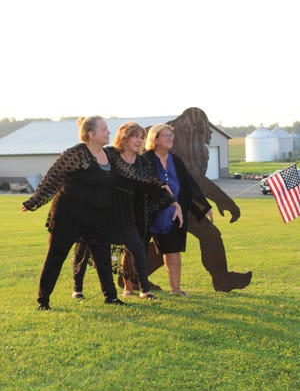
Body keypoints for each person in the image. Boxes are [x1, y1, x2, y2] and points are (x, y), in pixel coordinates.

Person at [143, 107, 252, 292]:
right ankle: (132, 276)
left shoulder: (180, 149)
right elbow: (197, 178)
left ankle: (221, 280)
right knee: (172, 243)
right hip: (160, 206)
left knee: (180, 242)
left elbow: (191, 182)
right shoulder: (185, 137)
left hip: (182, 202)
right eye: (207, 127)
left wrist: (207, 204)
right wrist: (224, 200)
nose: (209, 133)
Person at [72, 122, 183, 300]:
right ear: (124, 137)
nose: (139, 140)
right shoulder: (109, 154)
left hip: (125, 214)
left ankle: (144, 290)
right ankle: (77, 288)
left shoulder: (141, 162)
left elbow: (152, 182)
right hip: (100, 209)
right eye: (135, 136)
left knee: (138, 248)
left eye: (142, 137)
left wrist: (173, 203)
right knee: (84, 248)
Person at [22, 116, 124, 309]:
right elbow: (52, 177)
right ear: (91, 134)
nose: (109, 132)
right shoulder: (76, 154)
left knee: (103, 258)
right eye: (104, 129)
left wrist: (158, 185)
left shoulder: (109, 155)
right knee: (55, 257)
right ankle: (43, 301)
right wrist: (34, 201)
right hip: (68, 216)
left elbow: (130, 172)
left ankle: (111, 297)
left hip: (97, 217)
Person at [122, 123, 212, 297]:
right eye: (166, 136)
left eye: (172, 136)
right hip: (144, 213)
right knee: (135, 248)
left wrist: (203, 206)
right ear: (155, 140)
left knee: (173, 250)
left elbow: (189, 185)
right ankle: (128, 287)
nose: (171, 138)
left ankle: (175, 288)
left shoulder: (176, 161)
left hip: (171, 214)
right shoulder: (144, 159)